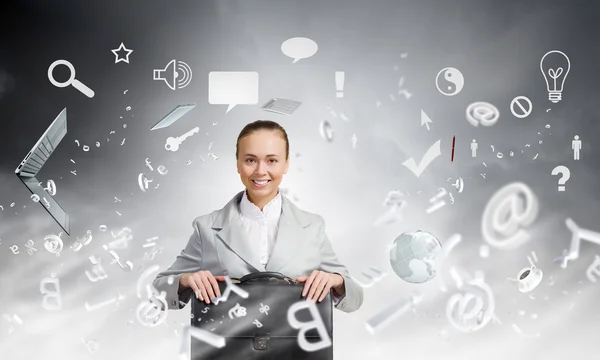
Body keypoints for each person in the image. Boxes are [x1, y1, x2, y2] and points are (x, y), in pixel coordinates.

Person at [152, 120, 363, 313]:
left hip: (296, 349)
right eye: (250, 160)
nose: (261, 171)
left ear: (286, 163)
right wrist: (186, 280)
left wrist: (337, 281)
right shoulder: (206, 228)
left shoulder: (312, 227)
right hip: (227, 350)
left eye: (272, 160)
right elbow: (156, 293)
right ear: (237, 163)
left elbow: (355, 299)